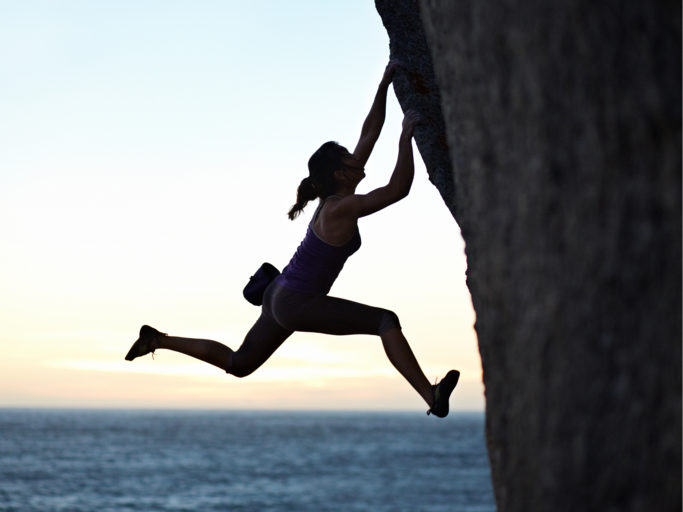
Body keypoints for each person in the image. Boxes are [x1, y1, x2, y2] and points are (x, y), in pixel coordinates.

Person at [125, 61, 459, 417]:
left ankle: (157, 339)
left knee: (239, 364)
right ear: (339, 173)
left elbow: (367, 135)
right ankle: (430, 395)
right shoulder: (337, 210)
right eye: (349, 158)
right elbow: (397, 189)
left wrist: (383, 86)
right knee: (384, 321)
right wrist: (406, 136)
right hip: (294, 301)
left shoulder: (335, 196)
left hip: (279, 295)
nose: (357, 157)